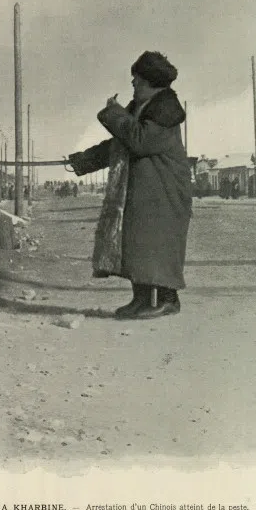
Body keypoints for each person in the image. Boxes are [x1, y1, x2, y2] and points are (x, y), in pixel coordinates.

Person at [68, 50, 192, 319]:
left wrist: (114, 113)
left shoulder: (165, 111)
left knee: (157, 245)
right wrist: (83, 161)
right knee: (137, 244)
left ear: (150, 82)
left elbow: (139, 140)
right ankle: (142, 299)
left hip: (165, 192)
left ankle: (167, 300)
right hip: (146, 191)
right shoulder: (142, 108)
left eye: (137, 79)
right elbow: (121, 144)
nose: (133, 84)